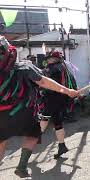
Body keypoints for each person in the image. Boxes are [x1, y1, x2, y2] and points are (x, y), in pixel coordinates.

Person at [0, 36, 78, 178]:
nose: (47, 60)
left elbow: (43, 81)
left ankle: (61, 145)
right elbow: (42, 81)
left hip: (43, 101)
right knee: (39, 131)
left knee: (3, 140)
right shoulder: (27, 67)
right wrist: (69, 91)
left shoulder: (49, 68)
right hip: (39, 106)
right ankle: (59, 146)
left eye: (49, 59)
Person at [38, 50, 77, 159]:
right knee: (57, 121)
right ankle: (62, 145)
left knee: (45, 117)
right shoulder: (64, 68)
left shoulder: (52, 69)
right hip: (62, 99)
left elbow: (47, 84)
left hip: (52, 98)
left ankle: (36, 136)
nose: (47, 60)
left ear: (52, 59)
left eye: (48, 59)